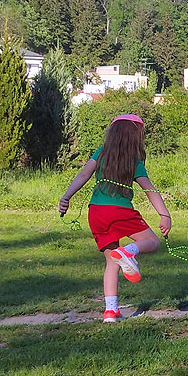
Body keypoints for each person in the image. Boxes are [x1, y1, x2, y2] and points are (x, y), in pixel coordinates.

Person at [58, 114, 171, 322]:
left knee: (111, 262)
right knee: (152, 242)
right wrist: (164, 215)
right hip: (119, 211)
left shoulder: (100, 154)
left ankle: (111, 312)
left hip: (96, 213)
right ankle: (128, 251)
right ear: (135, 137)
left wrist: (66, 197)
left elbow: (83, 175)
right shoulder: (133, 161)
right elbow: (149, 189)